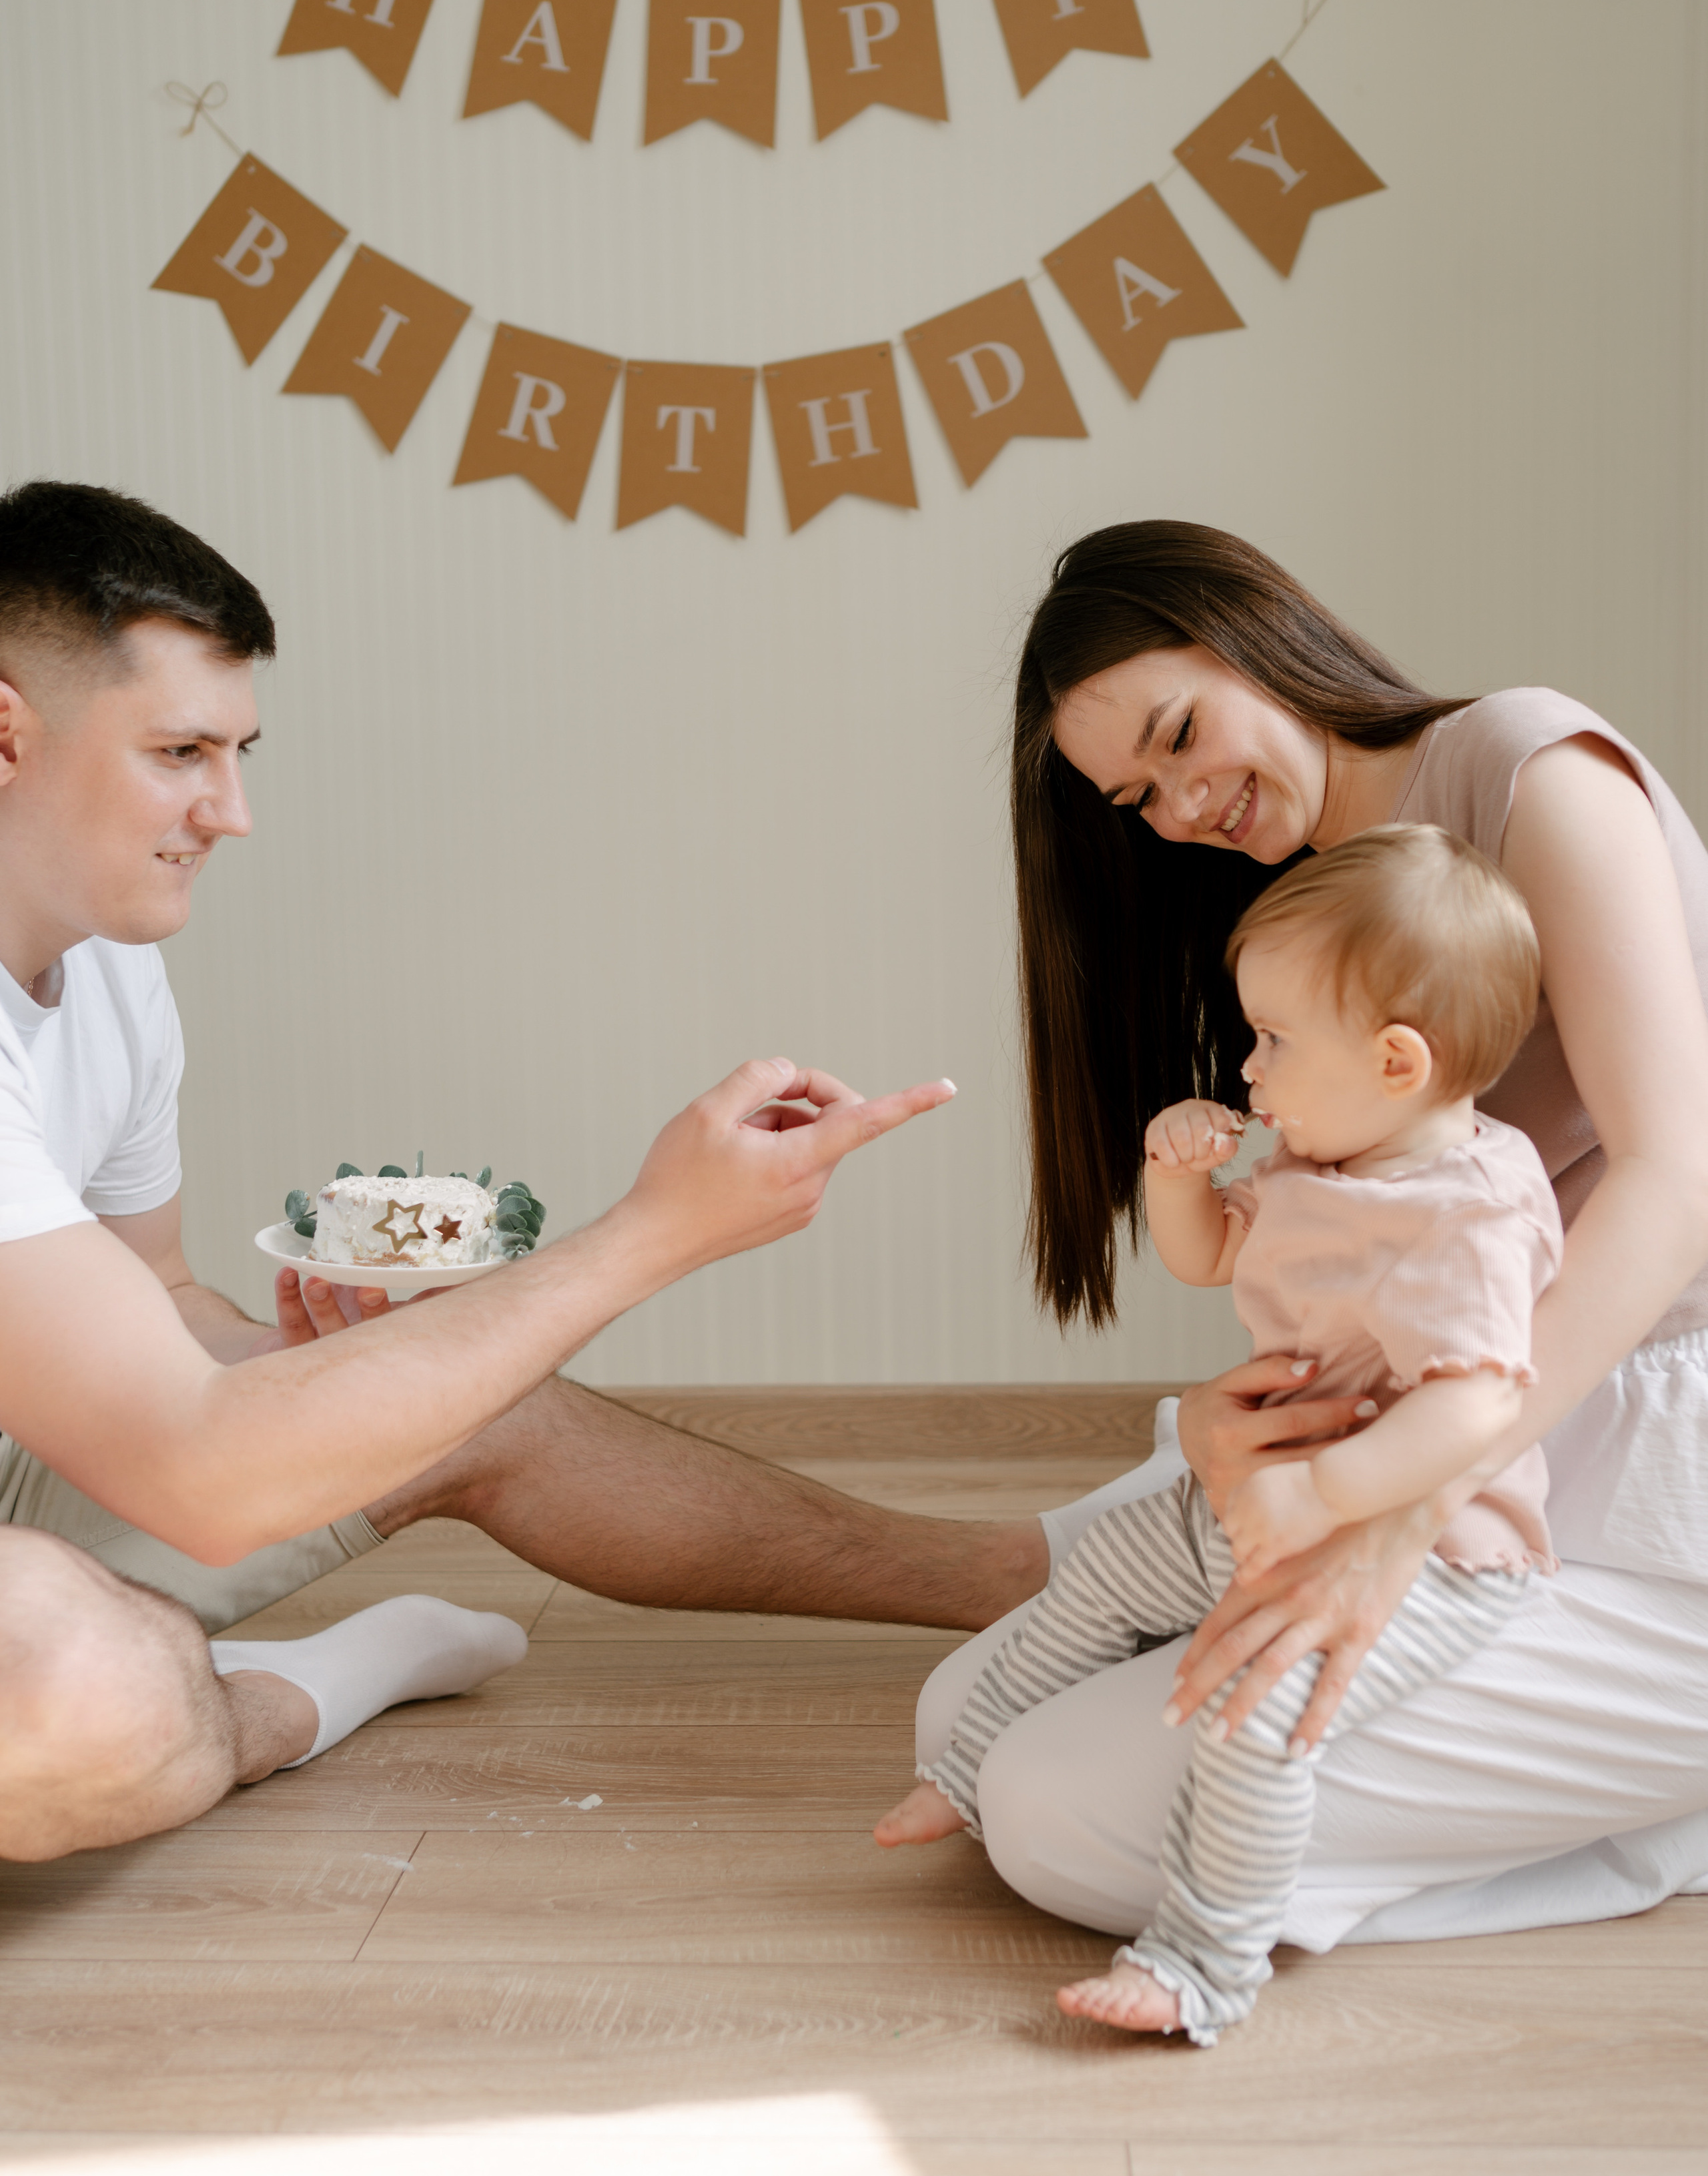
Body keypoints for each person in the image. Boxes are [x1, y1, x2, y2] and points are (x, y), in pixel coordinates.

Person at [0, 482, 1047, 1866]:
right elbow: (197, 1473)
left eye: (239, 752)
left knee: (459, 1380)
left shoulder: (110, 966)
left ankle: (1040, 1581)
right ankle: (294, 1689)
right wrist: (651, 1234)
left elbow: (157, 1294)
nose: (231, 811)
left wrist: (336, 1368)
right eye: (180, 752)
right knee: (89, 1695)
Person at [916, 520, 1708, 1959]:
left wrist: (1401, 1502)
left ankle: (1661, 1815)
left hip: (1631, 1437)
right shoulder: (1311, 899)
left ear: (1256, 637)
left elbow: (1674, 1178)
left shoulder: (1527, 766)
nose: (1180, 807)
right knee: (957, 1722)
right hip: (1461, 1426)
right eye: (1136, 798)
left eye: (1179, 736)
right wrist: (1236, 1430)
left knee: (1056, 1816)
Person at [880, 827, 1561, 2041]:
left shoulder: (1467, 1214)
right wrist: (1175, 1174)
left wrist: (1325, 1497)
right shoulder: (1320, 1155)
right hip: (1258, 1501)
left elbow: (1478, 1407)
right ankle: (966, 1776)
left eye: (1274, 1040)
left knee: (1255, 1718)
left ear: (1397, 1061)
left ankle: (1204, 1962)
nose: (1248, 1068)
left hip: (1423, 1560)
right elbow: (1205, 1261)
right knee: (1100, 1574)